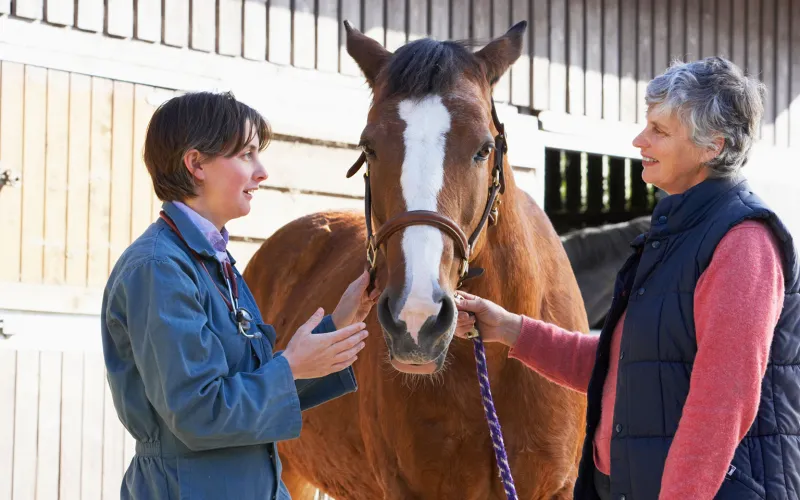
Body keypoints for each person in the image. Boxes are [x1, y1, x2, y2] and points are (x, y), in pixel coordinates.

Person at [455, 56, 800, 499]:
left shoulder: (743, 243)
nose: (640, 140)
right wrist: (508, 328)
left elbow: (721, 408)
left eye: (659, 130)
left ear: (713, 146)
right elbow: (625, 368)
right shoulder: (673, 234)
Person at [100, 91, 377, 500]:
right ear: (196, 164)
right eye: (247, 154)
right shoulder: (159, 269)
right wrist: (291, 367)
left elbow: (249, 393)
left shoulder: (214, 260)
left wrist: (340, 323)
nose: (262, 172)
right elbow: (198, 413)